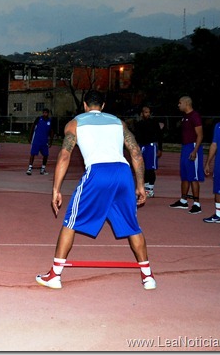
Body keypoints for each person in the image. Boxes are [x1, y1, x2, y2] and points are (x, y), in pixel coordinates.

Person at [36, 90, 155, 290]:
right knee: (132, 225)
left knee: (70, 222)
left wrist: (56, 189)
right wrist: (141, 185)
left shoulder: (74, 123)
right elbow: (136, 152)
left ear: (84, 105)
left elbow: (64, 156)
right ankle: (148, 276)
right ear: (103, 105)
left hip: (99, 172)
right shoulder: (118, 122)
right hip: (123, 172)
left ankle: (55, 275)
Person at [169, 96, 204, 214]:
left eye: (180, 103)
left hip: (192, 147)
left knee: (193, 177)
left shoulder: (195, 116)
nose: (178, 105)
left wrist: (195, 151)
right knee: (184, 175)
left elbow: (200, 135)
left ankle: (197, 204)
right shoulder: (185, 117)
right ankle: (183, 200)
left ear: (186, 103)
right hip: (185, 147)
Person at [133, 104, 164, 197]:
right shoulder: (138, 124)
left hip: (151, 146)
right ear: (141, 113)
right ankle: (145, 188)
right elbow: (136, 137)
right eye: (145, 112)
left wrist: (160, 148)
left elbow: (159, 135)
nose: (147, 114)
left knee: (150, 169)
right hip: (141, 146)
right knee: (142, 168)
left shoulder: (154, 123)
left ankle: (150, 189)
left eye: (148, 112)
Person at [26, 108, 53, 175]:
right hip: (36, 140)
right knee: (33, 154)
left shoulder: (50, 121)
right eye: (44, 112)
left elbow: (51, 132)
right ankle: (29, 168)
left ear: (48, 113)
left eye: (46, 113)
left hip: (44, 141)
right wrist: (30, 137)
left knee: (46, 155)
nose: (45, 114)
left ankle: (43, 169)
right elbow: (32, 127)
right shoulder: (38, 119)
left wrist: (51, 141)